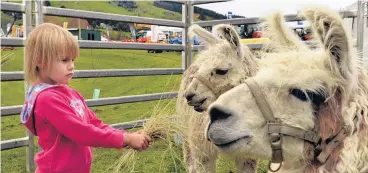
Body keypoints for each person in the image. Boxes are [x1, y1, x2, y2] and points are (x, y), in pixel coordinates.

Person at [20, 23, 151, 173]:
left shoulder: (70, 93)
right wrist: (125, 140)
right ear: (40, 60)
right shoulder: (47, 99)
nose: (71, 66)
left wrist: (127, 136)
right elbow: (83, 133)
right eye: (64, 60)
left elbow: (95, 124)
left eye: (73, 60)